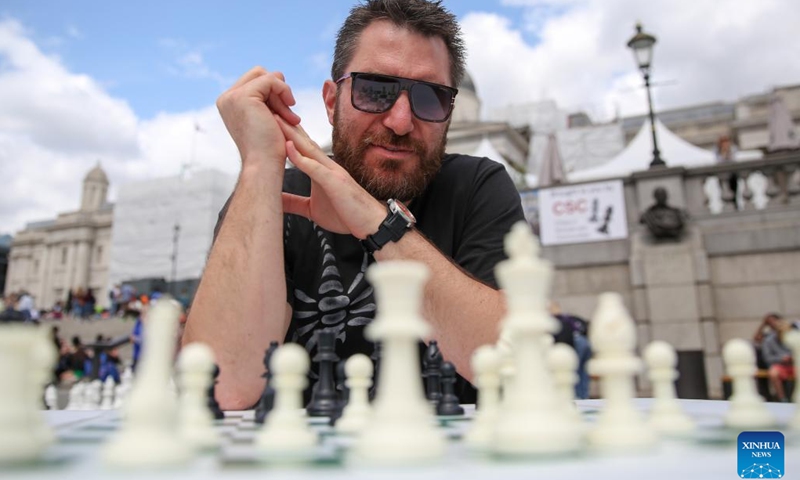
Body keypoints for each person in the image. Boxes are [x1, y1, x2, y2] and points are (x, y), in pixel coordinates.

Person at [183, 0, 525, 410]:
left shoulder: (476, 186)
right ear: (331, 102)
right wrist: (259, 165)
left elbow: (512, 362)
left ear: (449, 114)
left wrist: (372, 218)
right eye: (374, 90)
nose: (400, 121)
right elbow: (221, 388)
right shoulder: (273, 198)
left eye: (431, 98)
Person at [754, 313, 796, 402]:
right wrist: (781, 359)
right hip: (779, 365)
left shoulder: (795, 338)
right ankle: (782, 398)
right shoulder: (768, 340)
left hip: (794, 365)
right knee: (773, 373)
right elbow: (767, 358)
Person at [715, 134, 740, 210]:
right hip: (723, 175)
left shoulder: (733, 149)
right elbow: (718, 161)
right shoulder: (717, 151)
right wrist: (723, 153)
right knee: (724, 190)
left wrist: (728, 153)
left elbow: (734, 159)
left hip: (732, 174)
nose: (725, 144)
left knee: (734, 190)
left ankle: (735, 205)